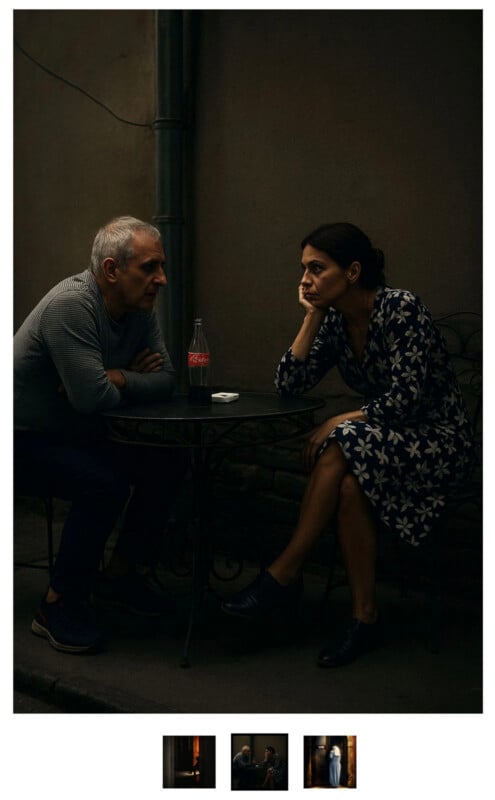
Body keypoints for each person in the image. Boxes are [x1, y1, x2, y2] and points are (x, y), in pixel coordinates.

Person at [221, 222, 474, 667]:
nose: (305, 280)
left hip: (437, 442)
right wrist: (312, 317)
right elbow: (289, 384)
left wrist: (342, 418)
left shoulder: (401, 308)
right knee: (350, 486)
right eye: (303, 269)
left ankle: (283, 573)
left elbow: (407, 398)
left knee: (341, 440)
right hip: (385, 442)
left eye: (317, 269)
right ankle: (365, 617)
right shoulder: (336, 321)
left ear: (353, 272)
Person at [14, 215, 184, 654]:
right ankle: (56, 606)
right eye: (149, 268)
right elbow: (91, 398)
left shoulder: (138, 309)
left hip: (69, 430)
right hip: (20, 436)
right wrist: (115, 379)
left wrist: (118, 377)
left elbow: (166, 380)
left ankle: (119, 577)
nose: (161, 279)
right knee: (101, 484)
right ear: (111, 270)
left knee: (168, 459)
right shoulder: (72, 306)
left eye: (161, 267)